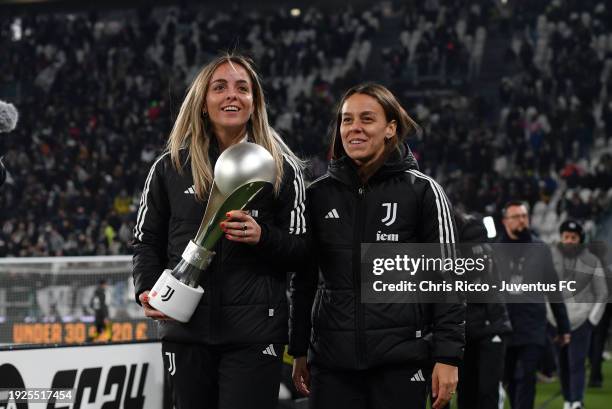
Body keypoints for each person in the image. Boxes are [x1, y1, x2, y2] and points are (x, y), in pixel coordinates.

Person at [132, 54, 306, 409]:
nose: (232, 95)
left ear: (254, 102)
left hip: (255, 334)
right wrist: (147, 289)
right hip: (187, 331)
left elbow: (304, 251)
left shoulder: (282, 170)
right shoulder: (170, 167)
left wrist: (264, 237)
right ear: (202, 102)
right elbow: (145, 241)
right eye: (219, 87)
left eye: (243, 88)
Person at [290, 83, 465, 409]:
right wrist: (299, 348)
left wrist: (447, 356)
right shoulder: (317, 195)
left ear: (390, 128)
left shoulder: (424, 193)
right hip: (331, 363)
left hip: (400, 363)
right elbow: (305, 279)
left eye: (366, 119)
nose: (354, 128)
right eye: (346, 120)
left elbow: (447, 280)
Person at [497, 200, 571, 409]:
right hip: (504, 326)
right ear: (505, 222)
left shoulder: (540, 248)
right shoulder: (494, 250)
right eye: (516, 217)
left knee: (527, 378)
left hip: (532, 326)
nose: (522, 220)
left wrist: (563, 327)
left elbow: (554, 289)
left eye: (524, 216)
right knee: (508, 379)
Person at [452, 211, 512, 409]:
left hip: (490, 325)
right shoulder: (464, 245)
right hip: (469, 328)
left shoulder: (477, 247)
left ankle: (497, 394)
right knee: (467, 391)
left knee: (485, 392)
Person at [547, 220, 607, 409]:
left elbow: (602, 292)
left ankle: (577, 401)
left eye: (573, 237)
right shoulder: (549, 258)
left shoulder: (592, 260)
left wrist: (591, 320)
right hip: (555, 321)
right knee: (562, 364)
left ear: (580, 239)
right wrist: (547, 316)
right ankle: (567, 401)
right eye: (566, 237)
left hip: (581, 321)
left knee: (577, 363)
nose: (569, 240)